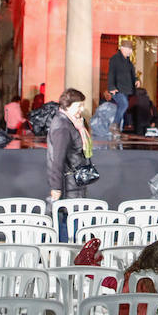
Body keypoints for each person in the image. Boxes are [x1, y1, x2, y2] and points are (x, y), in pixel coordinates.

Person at [47, 88, 92, 240]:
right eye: (78, 106)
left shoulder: (72, 123)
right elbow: (57, 160)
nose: (82, 109)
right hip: (68, 186)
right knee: (68, 222)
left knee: (70, 220)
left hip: (73, 183)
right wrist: (56, 187)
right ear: (67, 106)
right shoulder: (63, 126)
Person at [107, 42, 137, 133]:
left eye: (131, 49)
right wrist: (111, 87)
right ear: (122, 48)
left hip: (126, 89)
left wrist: (136, 80)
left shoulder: (129, 62)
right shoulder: (114, 59)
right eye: (129, 49)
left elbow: (133, 74)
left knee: (123, 107)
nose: (131, 51)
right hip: (117, 89)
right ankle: (115, 124)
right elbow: (111, 73)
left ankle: (119, 128)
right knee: (124, 104)